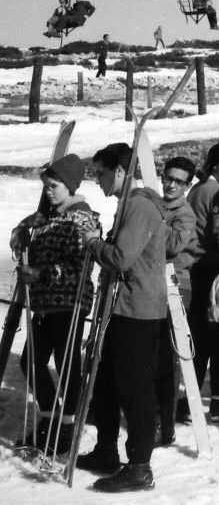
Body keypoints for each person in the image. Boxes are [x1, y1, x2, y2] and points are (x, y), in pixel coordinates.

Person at [76, 142, 167, 492]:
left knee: (135, 388)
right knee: (106, 380)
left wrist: (93, 244)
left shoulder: (140, 207)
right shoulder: (127, 206)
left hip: (138, 310)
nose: (97, 179)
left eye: (100, 172)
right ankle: (105, 450)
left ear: (118, 171)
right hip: (121, 307)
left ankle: (140, 467)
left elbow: (121, 257)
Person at [10, 154, 98, 454]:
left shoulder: (81, 217)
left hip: (70, 302)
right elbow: (26, 243)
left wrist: (43, 273)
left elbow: (80, 266)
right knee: (30, 362)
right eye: (47, 185)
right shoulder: (47, 218)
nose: (49, 191)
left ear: (70, 187)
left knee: (66, 364)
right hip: (45, 303)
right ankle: (51, 418)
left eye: (55, 186)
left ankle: (67, 427)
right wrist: (22, 234)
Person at [183, 141, 219, 424]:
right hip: (213, 269)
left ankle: (187, 402)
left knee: (198, 340)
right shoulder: (218, 192)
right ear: (215, 164)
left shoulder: (197, 189)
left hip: (194, 268)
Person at [153, 157, 198, 447]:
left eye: (178, 181)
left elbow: (172, 246)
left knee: (168, 361)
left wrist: (150, 224)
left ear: (187, 185)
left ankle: (165, 425)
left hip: (176, 288)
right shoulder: (157, 204)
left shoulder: (184, 214)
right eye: (168, 178)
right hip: (152, 286)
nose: (170, 185)